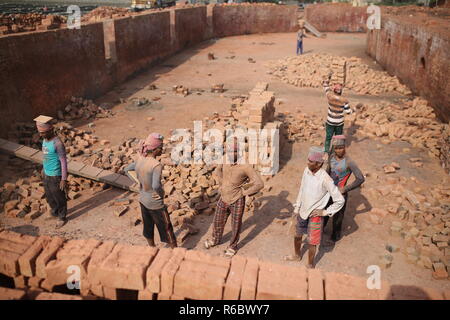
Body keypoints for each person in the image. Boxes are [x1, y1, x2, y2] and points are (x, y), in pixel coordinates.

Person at [284, 146, 345, 268]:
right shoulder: (306, 171)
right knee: (297, 235)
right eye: (308, 160)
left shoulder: (325, 179)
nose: (307, 163)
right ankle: (297, 256)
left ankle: (310, 264)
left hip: (315, 215)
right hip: (302, 211)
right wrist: (297, 208)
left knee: (312, 242)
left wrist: (325, 212)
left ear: (318, 164)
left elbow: (340, 200)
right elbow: (302, 189)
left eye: (311, 161)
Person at [204, 140, 264, 258]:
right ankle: (215, 239)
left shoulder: (245, 166)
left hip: (237, 199)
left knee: (235, 225)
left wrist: (244, 192)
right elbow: (217, 170)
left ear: (239, 152)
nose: (231, 154)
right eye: (229, 151)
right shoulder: (225, 158)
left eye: (234, 151)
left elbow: (259, 184)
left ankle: (232, 246)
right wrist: (221, 185)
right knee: (217, 221)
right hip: (224, 197)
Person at [124, 133, 177, 248]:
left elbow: (126, 170)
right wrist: (161, 195)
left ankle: (151, 249)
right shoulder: (156, 165)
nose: (162, 150)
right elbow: (156, 185)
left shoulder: (140, 160)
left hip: (143, 199)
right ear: (155, 149)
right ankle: (175, 252)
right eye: (161, 147)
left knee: (148, 227)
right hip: (155, 203)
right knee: (167, 229)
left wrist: (139, 182)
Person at [324, 135, 365, 242]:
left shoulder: (349, 162)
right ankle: (321, 230)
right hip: (329, 191)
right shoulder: (331, 157)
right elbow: (327, 172)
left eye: (341, 147)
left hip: (340, 193)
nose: (339, 150)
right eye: (336, 148)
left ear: (345, 147)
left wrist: (345, 189)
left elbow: (360, 178)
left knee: (338, 217)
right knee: (325, 211)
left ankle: (335, 237)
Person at [34, 115, 68, 229]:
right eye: (40, 132)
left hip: (55, 175)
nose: (41, 135)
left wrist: (63, 179)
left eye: (43, 133)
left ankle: (62, 216)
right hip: (47, 173)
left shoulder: (57, 143)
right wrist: (43, 168)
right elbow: (46, 156)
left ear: (50, 130)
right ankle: (55, 212)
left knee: (59, 197)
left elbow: (63, 161)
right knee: (49, 196)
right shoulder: (44, 140)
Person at [323, 77, 353, 154]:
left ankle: (326, 151)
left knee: (328, 137)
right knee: (338, 138)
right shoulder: (344, 100)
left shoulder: (329, 96)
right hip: (339, 123)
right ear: (341, 92)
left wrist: (327, 80)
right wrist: (355, 109)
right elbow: (349, 112)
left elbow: (325, 87)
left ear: (334, 91)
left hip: (330, 122)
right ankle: (334, 152)